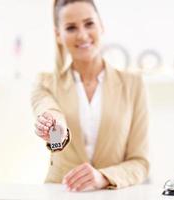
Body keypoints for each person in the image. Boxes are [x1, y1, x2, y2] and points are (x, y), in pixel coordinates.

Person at [31, 0, 149, 192]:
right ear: (58, 35)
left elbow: (140, 162)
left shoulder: (133, 84)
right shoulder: (45, 83)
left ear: (101, 26)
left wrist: (103, 177)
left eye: (89, 24)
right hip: (61, 194)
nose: (83, 35)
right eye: (71, 28)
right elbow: (49, 110)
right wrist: (56, 128)